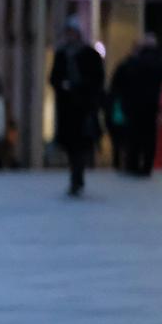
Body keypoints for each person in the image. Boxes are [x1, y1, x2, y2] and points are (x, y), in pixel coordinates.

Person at [49, 16, 106, 196]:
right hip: (67, 108)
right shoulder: (62, 54)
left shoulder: (89, 54)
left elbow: (97, 79)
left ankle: (77, 177)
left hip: (83, 107)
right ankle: (75, 176)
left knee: (80, 144)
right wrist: (63, 86)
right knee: (72, 145)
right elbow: (54, 78)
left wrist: (82, 89)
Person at [115, 34, 162, 177]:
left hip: (134, 105)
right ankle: (146, 166)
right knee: (149, 136)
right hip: (151, 105)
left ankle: (133, 164)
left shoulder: (133, 63)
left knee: (134, 135)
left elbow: (120, 82)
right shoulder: (158, 62)